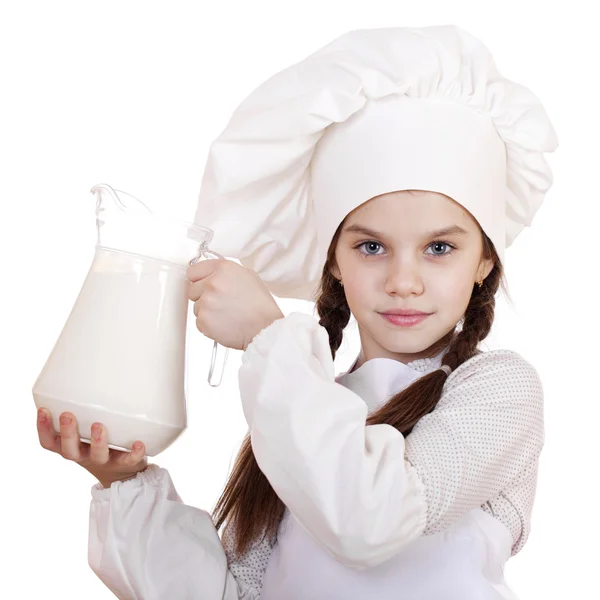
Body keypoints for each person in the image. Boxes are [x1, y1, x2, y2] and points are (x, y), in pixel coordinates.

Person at [36, 24, 558, 599]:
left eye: (440, 248)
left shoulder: (497, 392)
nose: (403, 282)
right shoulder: (302, 405)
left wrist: (269, 336)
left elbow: (372, 518)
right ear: (332, 260)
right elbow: (233, 592)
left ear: (485, 258)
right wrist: (124, 480)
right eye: (370, 246)